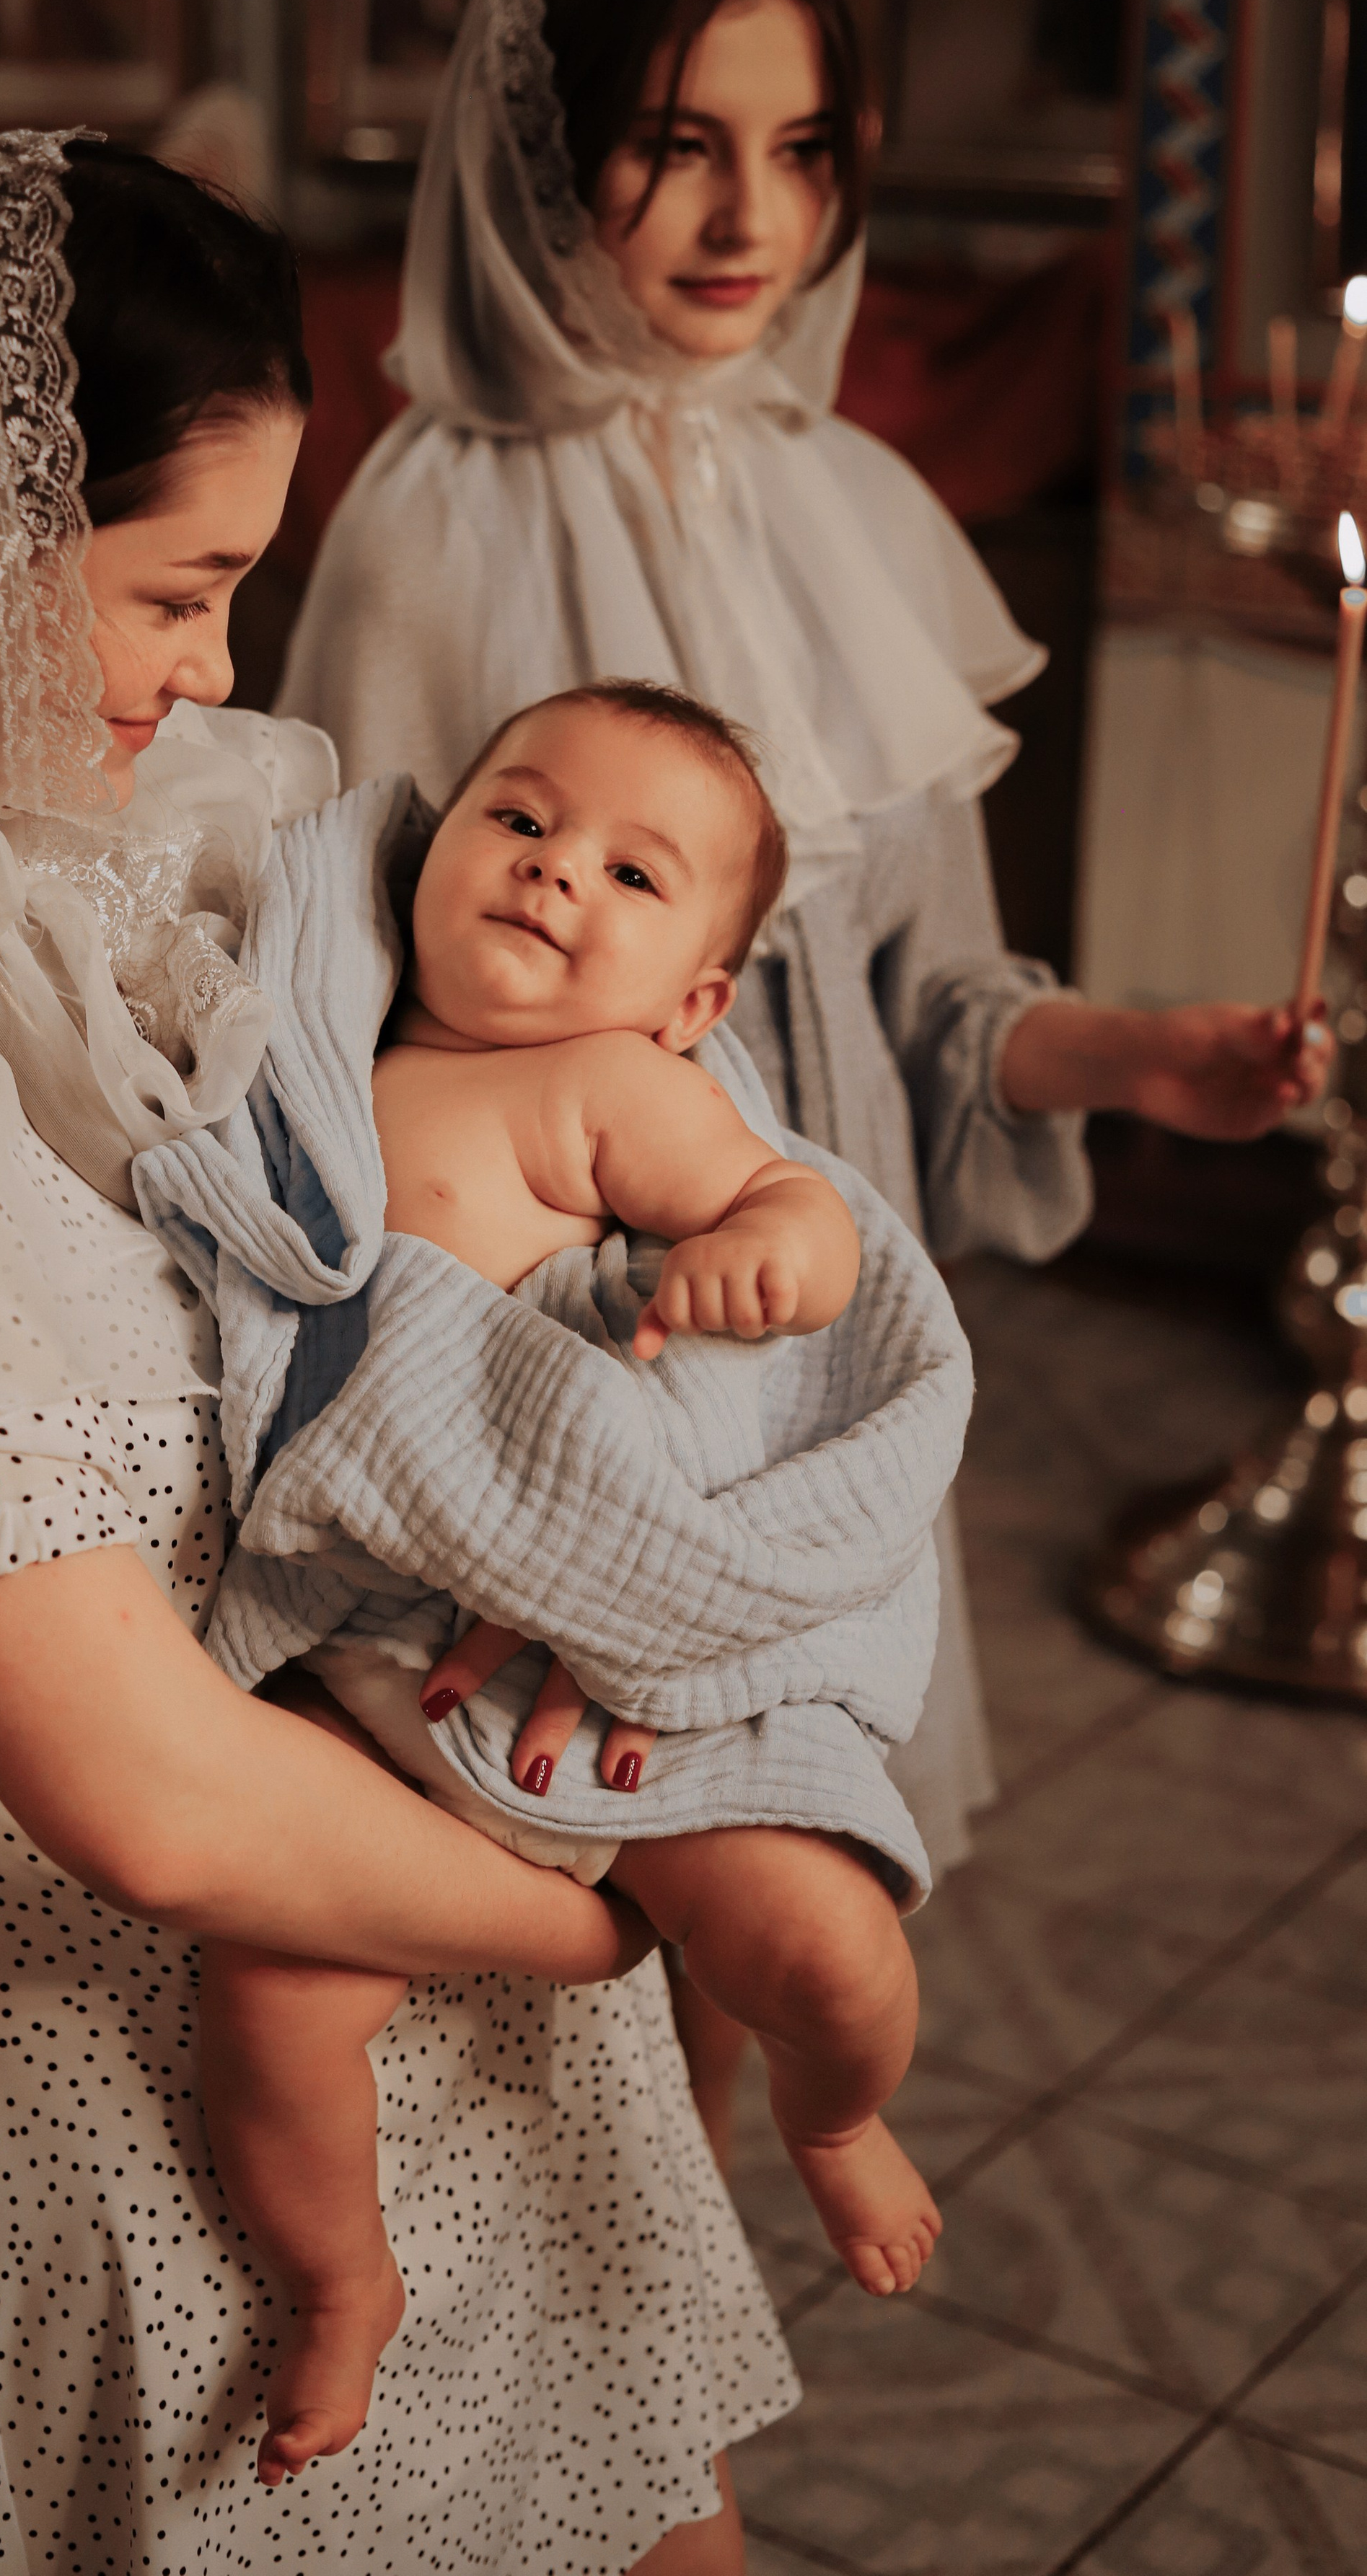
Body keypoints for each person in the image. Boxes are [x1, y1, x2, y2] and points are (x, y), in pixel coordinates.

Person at [0, 135, 796, 2573]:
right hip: (116, 2063)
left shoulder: (151, 822)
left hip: (450, 1875)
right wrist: (623, 1909)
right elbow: (140, 1798)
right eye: (178, 591)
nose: (224, 672)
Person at [278, 0, 1330, 2145]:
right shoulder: (435, 528)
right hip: (535, 1388)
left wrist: (1144, 1056)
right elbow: (345, 1041)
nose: (750, 215)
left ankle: (689, 2344)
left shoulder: (854, 504)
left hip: (783, 1371)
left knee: (749, 1921)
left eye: (803, 149)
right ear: (553, 153)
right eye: (679, 140)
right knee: (534, 1948)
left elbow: (925, 1010)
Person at [191, 677, 954, 2491]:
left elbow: (793, 1210)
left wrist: (757, 1257)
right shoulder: (329, 1070)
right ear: (428, 856)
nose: (553, 876)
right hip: (376, 1649)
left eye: (630, 870)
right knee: (271, 1999)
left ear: (694, 1002)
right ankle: (340, 2277)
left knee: (829, 1945)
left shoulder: (610, 1086)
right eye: (517, 822)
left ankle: (832, 2112)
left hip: (596, 1666)